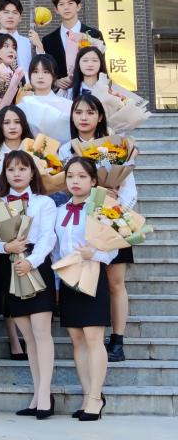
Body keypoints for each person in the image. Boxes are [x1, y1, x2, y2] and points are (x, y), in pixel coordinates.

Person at [61, 93, 136, 363]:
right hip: (79, 227)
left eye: (90, 112)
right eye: (78, 112)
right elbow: (60, 187)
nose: (84, 117)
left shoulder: (114, 146)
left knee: (115, 282)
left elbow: (129, 187)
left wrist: (114, 206)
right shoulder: (65, 150)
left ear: (100, 116)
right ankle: (93, 334)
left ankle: (117, 339)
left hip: (112, 221)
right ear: (72, 117)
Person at [0, 150, 58, 420]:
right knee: (28, 337)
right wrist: (6, 247)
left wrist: (32, 261)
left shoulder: (44, 202)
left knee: (42, 333)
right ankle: (37, 394)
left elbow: (48, 237)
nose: (16, 174)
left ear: (32, 172)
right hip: (10, 267)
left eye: (22, 168)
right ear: (4, 174)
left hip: (35, 266)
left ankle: (45, 395)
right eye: (11, 169)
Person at [54, 156, 115, 421]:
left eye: (81, 176)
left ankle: (95, 398)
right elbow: (56, 248)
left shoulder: (101, 208)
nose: (75, 181)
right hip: (69, 277)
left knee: (93, 337)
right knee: (76, 339)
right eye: (70, 176)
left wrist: (95, 254)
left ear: (93, 181)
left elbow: (114, 247)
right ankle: (87, 393)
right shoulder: (60, 210)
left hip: (92, 273)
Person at [40, 0, 104, 88]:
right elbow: (46, 69)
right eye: (61, 4)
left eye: (70, 3)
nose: (66, 7)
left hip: (89, 89)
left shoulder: (94, 35)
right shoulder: (48, 40)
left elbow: (101, 65)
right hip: (61, 92)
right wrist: (55, 82)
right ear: (56, 10)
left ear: (78, 7)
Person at [0, 0, 43, 75]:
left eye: (15, 13)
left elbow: (42, 68)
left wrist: (40, 47)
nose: (10, 16)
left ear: (20, 18)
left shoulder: (29, 43)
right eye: (6, 12)